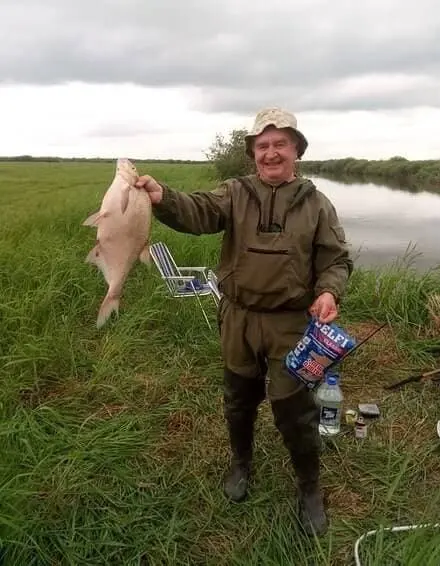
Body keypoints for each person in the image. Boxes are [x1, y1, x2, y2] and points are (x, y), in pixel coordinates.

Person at [135, 107, 353, 536]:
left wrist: (328, 291)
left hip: (291, 324)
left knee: (294, 409)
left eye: (280, 145)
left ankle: (309, 487)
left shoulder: (317, 203)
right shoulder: (234, 193)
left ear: (297, 150)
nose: (271, 153)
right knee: (238, 398)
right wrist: (163, 197)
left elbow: (336, 259)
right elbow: (197, 212)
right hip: (238, 317)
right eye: (262, 146)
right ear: (253, 153)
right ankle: (241, 464)